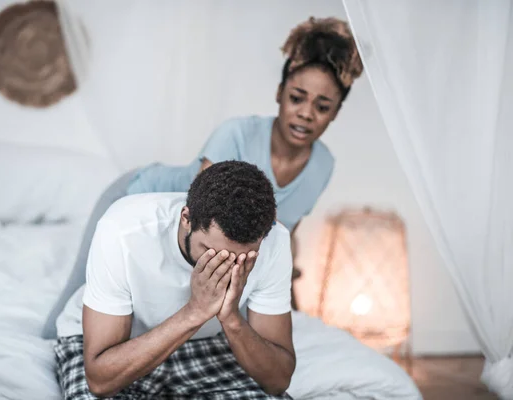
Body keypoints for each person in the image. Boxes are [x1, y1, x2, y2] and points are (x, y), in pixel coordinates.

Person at [42, 15, 363, 338]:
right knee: (82, 289)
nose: (306, 114)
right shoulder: (235, 134)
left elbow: (286, 233)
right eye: (297, 98)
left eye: (322, 107)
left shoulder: (323, 165)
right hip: (135, 193)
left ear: (336, 112)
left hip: (193, 235)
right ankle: (45, 345)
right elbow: (208, 216)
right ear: (279, 93)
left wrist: (287, 302)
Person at [54, 161, 295, 399]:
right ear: (186, 218)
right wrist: (195, 312)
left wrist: (231, 319)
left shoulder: (274, 243)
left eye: (240, 259)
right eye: (212, 252)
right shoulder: (122, 230)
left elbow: (278, 380)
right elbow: (100, 381)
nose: (224, 267)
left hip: (205, 342)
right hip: (120, 347)